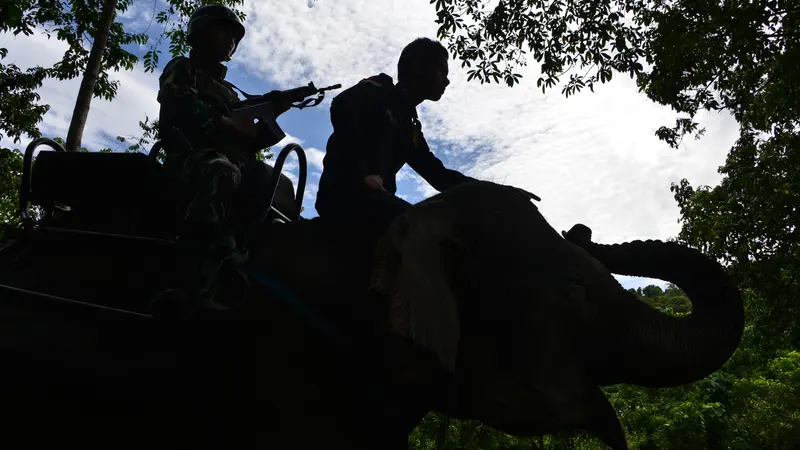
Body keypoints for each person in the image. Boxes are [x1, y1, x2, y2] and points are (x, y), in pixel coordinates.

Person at [156, 4, 290, 309]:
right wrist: (229, 123)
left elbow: (248, 142)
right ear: (202, 31)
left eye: (235, 35)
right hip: (190, 158)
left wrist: (273, 113)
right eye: (224, 30)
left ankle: (242, 255)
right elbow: (180, 104)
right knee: (223, 172)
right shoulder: (183, 68)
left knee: (270, 183)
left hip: (230, 161)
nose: (231, 39)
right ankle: (190, 281)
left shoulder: (230, 92)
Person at [315, 38, 476, 241]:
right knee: (422, 230)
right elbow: (341, 105)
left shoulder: (410, 126)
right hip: (343, 195)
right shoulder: (379, 89)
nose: (446, 81)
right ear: (416, 67)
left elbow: (436, 173)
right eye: (441, 71)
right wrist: (361, 174)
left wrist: (484, 191)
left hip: (378, 201)